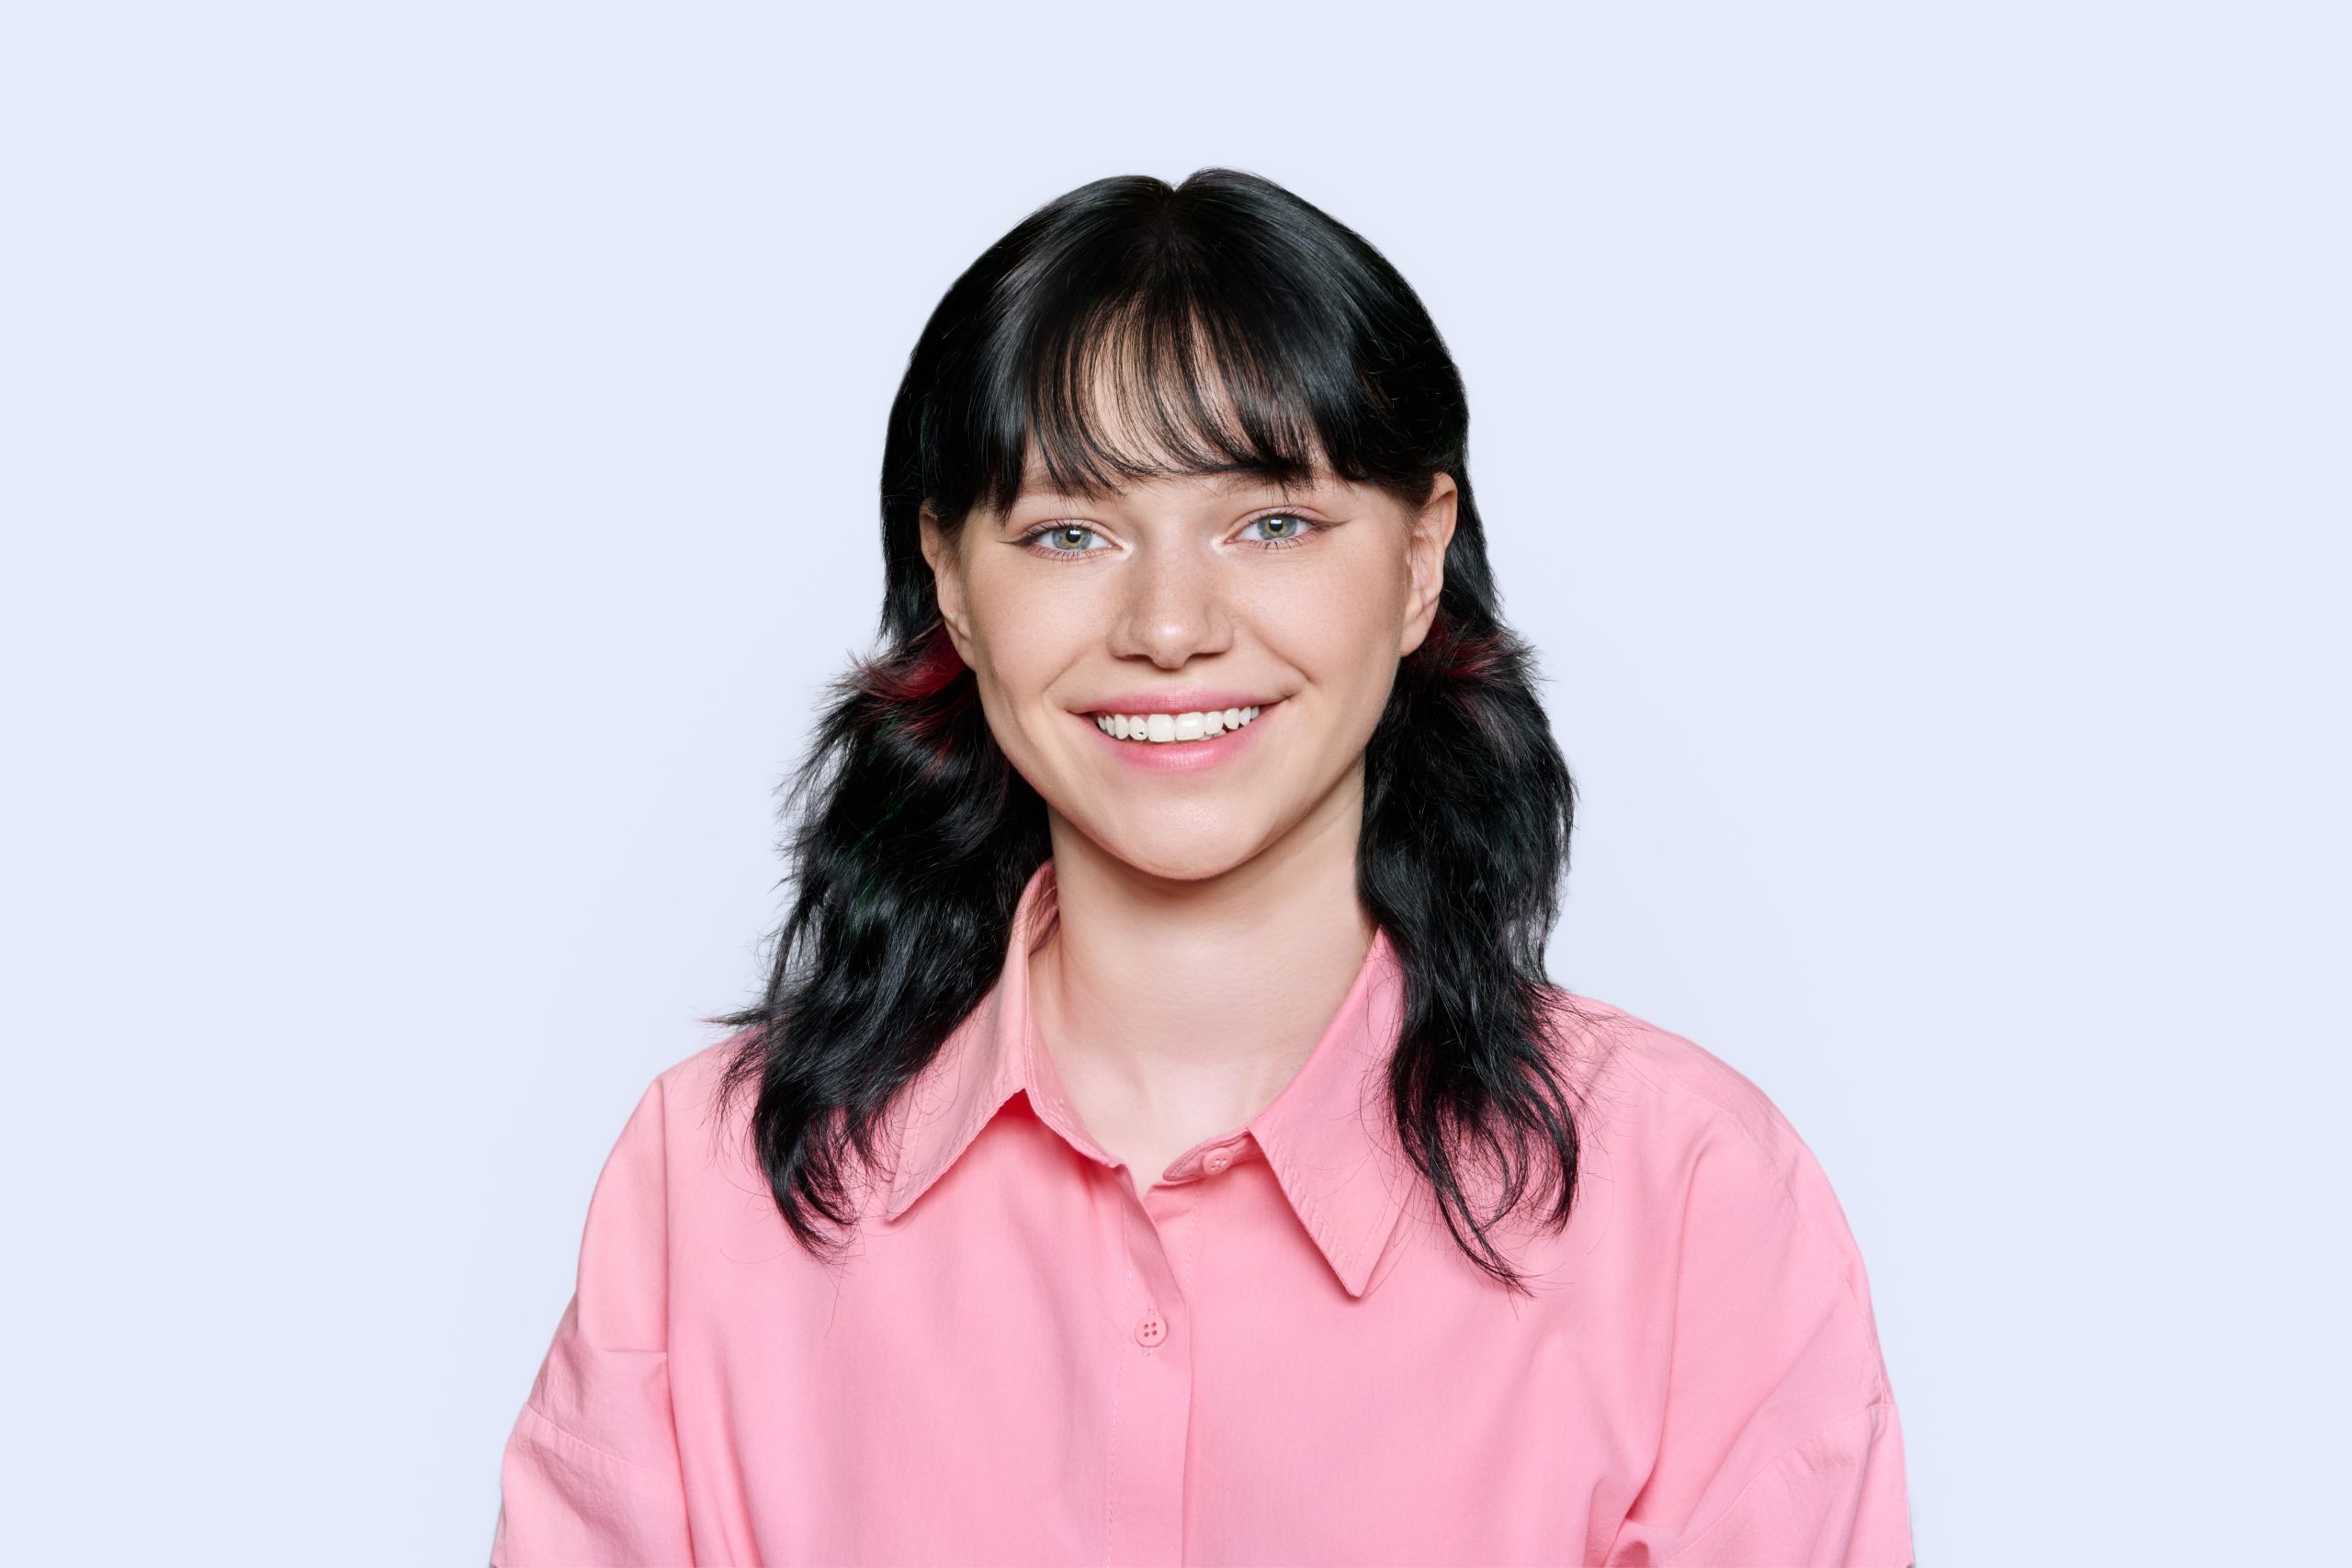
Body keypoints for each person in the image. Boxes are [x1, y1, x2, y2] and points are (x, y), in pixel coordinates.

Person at [490, 167, 1915, 1566]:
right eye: (1068, 533)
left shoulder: (1689, 1199)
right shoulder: (708, 1186)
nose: (1169, 627)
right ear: (954, 586)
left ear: (1421, 557)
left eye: (1272, 522)